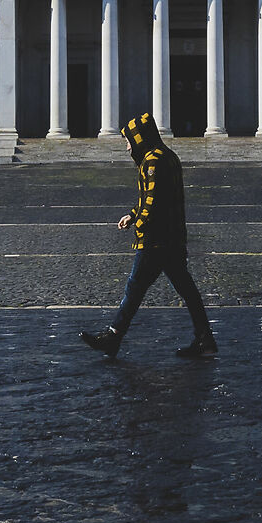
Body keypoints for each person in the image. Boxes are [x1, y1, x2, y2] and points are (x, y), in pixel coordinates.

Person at [82, 112, 216, 359]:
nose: (127, 147)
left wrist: (139, 223)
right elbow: (152, 197)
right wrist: (133, 214)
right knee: (185, 289)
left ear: (140, 139)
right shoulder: (167, 156)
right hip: (173, 238)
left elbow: (152, 202)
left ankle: (113, 336)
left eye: (129, 141)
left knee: (135, 287)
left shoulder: (152, 162)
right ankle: (205, 338)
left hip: (156, 241)